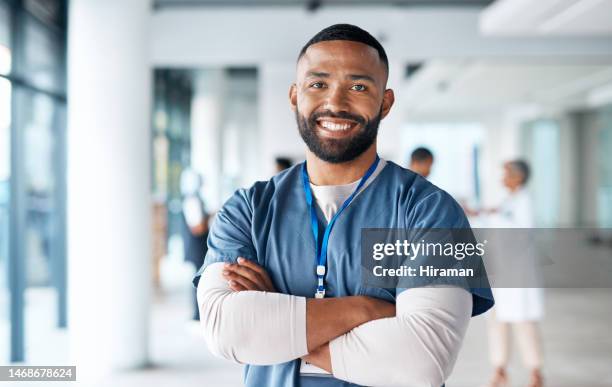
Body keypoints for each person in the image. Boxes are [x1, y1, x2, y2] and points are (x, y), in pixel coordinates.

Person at [193, 24, 494, 386]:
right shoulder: (247, 209)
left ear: (385, 102)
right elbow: (226, 332)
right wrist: (365, 309)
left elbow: (420, 362)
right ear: (294, 96)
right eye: (318, 84)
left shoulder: (430, 211)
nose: (335, 102)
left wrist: (278, 317)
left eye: (358, 86)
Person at [467, 160, 544, 387]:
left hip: (517, 272)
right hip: (499, 270)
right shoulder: (506, 200)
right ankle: (500, 369)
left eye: (506, 173)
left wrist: (492, 215)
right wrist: (477, 213)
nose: (503, 177)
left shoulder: (525, 201)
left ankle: (535, 372)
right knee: (497, 320)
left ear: (518, 177)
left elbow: (520, 231)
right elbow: (492, 221)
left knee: (523, 322)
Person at [180, 168, 209, 321]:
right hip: (197, 247)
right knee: (198, 280)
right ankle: (198, 314)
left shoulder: (194, 199)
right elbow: (198, 228)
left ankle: (198, 313)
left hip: (197, 248)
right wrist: (210, 217)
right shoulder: (192, 201)